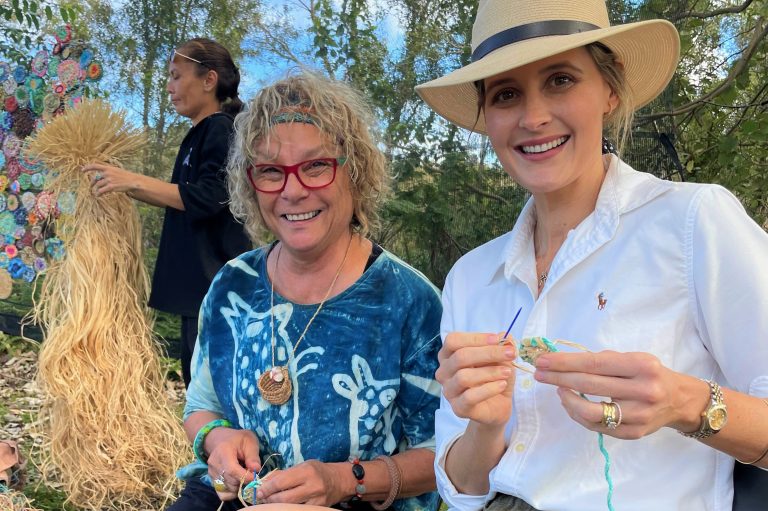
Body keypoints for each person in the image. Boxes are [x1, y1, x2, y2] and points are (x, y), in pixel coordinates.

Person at [415, 0, 768, 509]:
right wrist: (484, 426)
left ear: (609, 88)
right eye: (507, 94)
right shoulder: (471, 277)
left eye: (560, 80)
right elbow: (464, 488)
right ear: (487, 118)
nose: (534, 117)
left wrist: (683, 402)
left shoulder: (692, 223)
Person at [169, 71, 442, 511]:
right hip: (234, 499)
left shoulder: (409, 302)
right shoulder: (232, 286)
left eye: (316, 166)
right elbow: (201, 406)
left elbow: (445, 456)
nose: (293, 191)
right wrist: (218, 441)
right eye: (271, 171)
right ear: (249, 183)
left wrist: (343, 480)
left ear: (356, 172)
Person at [83, 38, 252, 387]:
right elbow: (184, 198)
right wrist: (122, 186)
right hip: (199, 290)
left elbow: (209, 197)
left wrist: (132, 181)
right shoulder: (197, 135)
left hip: (216, 287)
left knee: (212, 389)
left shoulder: (221, 128)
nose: (169, 87)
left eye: (177, 76)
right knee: (196, 385)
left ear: (208, 80)